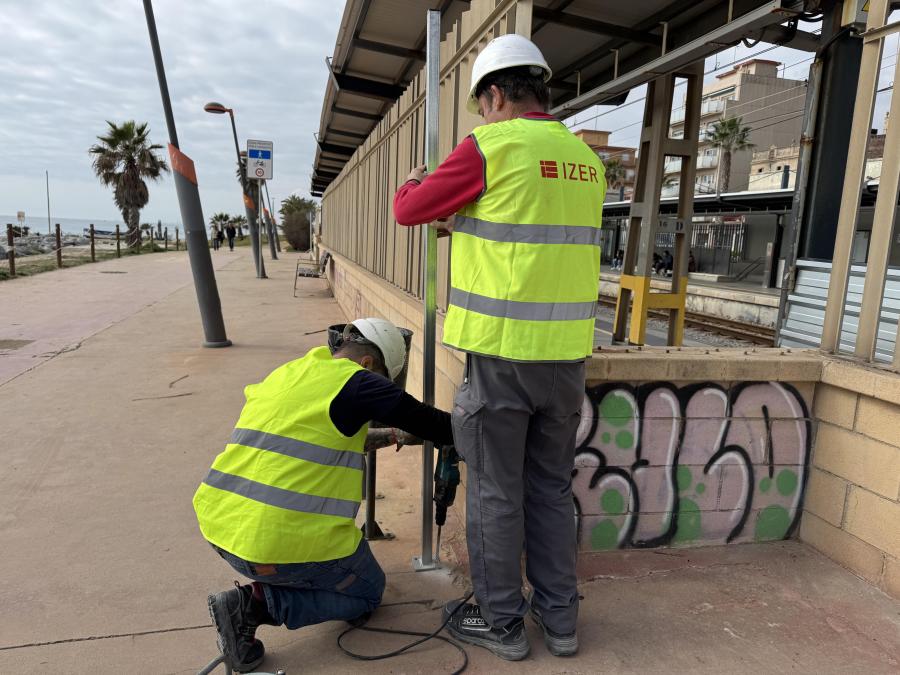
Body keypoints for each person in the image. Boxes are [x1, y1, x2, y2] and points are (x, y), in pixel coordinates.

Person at [393, 34, 604, 661]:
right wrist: (466, 224)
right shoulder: (585, 159)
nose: (481, 116)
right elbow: (535, 234)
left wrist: (415, 182)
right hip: (565, 358)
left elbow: (409, 211)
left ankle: (502, 622)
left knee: (495, 492)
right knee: (548, 487)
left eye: (482, 104)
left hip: (502, 358)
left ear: (493, 94)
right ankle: (561, 621)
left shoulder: (490, 145)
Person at [194, 318, 453, 672]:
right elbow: (432, 423)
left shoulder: (292, 372)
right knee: (367, 592)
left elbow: (327, 435)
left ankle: (263, 589)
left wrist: (393, 436)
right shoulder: (359, 382)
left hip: (220, 527)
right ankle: (257, 603)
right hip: (273, 545)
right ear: (367, 364)